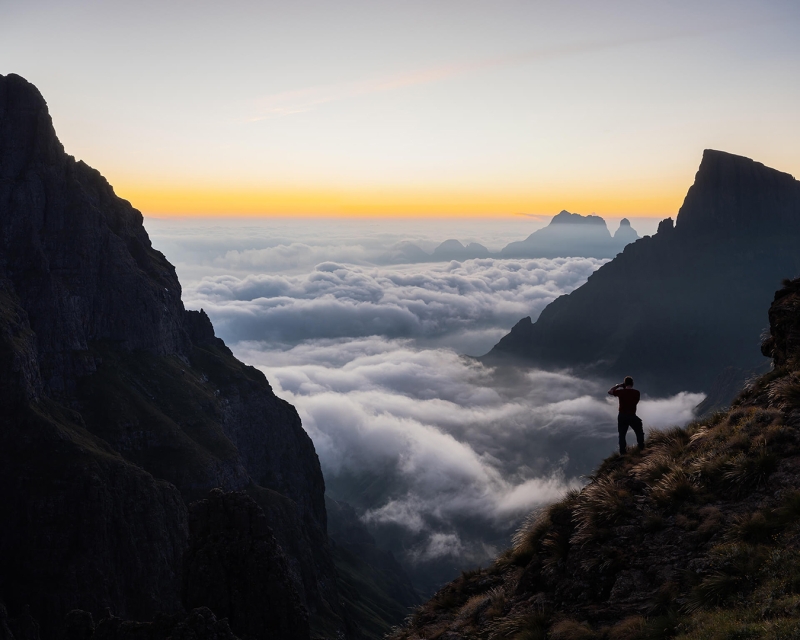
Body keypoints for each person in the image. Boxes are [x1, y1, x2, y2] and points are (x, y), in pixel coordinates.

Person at [608, 376, 644, 454]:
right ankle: (641, 447)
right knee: (639, 431)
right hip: (632, 415)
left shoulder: (621, 392)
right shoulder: (636, 392)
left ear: (625, 383)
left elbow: (610, 391)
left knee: (622, 435)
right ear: (632, 383)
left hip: (622, 415)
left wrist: (618, 386)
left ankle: (623, 452)